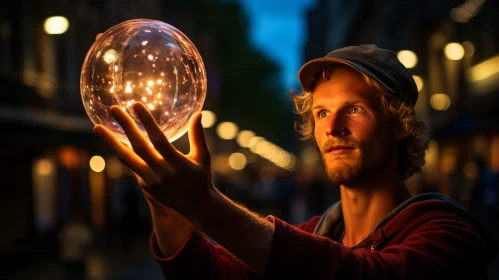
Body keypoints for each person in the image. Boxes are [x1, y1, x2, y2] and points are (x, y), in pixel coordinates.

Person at [93, 44, 497, 279]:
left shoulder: (449, 236)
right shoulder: (317, 233)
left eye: (353, 109)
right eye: (321, 113)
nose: (333, 127)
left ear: (398, 126)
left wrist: (204, 203)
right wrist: (169, 211)